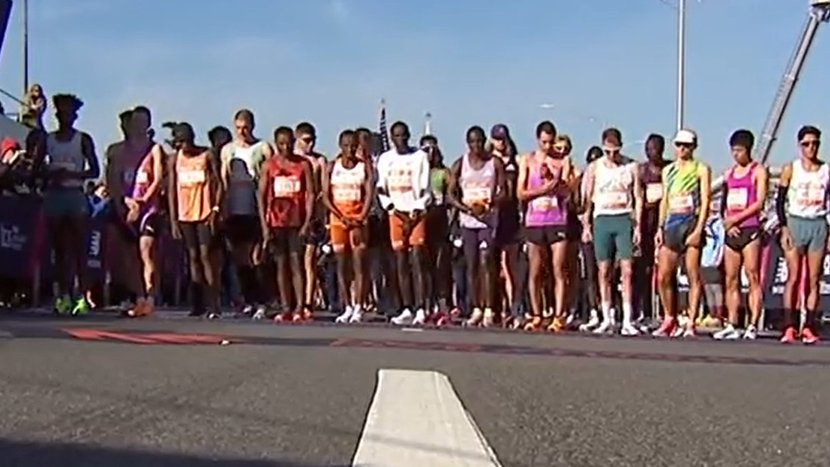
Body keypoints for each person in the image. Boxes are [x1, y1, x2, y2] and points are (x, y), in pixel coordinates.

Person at [36, 94, 100, 316]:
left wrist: (74, 173)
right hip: (55, 195)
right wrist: (49, 173)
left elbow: (95, 170)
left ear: (74, 117)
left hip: (75, 195)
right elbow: (36, 167)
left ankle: (81, 295)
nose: (65, 118)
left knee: (80, 249)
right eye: (61, 114)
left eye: (69, 114)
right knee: (59, 250)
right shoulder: (48, 140)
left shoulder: (83, 139)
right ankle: (62, 295)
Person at [581, 128, 642, 335]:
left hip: (623, 217)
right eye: (607, 151)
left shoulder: (631, 166)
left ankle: (627, 319)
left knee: (627, 270)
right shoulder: (594, 168)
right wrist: (586, 226)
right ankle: (607, 317)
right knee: (604, 271)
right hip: (602, 219)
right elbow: (587, 198)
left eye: (615, 151)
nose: (611, 156)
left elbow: (638, 197)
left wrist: (638, 226)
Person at [653, 129, 711, 338]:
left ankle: (691, 322)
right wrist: (659, 228)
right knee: (663, 275)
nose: (682, 149)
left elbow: (705, 200)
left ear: (693, 147)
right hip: (671, 221)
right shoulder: (668, 170)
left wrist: (699, 228)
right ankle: (670, 317)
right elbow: (665, 200)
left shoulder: (701, 169)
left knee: (692, 273)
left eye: (686, 145)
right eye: (679, 145)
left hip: (690, 220)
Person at [447, 126, 506, 327]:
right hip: (468, 220)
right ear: (468, 143)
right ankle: (476, 307)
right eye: (473, 142)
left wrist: (490, 204)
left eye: (480, 142)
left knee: (486, 261)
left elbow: (504, 191)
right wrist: (466, 208)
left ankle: (489, 308)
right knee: (471, 264)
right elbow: (450, 194)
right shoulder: (460, 164)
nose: (476, 146)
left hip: (488, 220)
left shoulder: (494, 163)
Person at [516, 121, 572, 332]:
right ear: (538, 139)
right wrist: (543, 188)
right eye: (544, 142)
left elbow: (567, 192)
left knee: (559, 268)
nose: (547, 146)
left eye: (551, 142)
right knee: (535, 270)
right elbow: (520, 193)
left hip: (557, 220)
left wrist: (556, 184)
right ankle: (537, 313)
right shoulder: (527, 160)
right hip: (535, 221)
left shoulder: (562, 161)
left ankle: (558, 315)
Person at [776, 125, 827, 344]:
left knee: (814, 279)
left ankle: (809, 326)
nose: (811, 148)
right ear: (799, 146)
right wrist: (784, 227)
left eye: (815, 143)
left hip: (817, 223)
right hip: (796, 222)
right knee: (793, 277)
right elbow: (780, 201)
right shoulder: (791, 169)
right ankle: (789, 325)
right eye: (806, 144)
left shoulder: (826, 170)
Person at [376, 121, 431, 325]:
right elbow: (381, 188)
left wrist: (415, 212)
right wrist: (394, 210)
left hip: (416, 213)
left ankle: (421, 308)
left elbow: (425, 189)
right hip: (396, 214)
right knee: (400, 261)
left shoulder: (419, 157)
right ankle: (406, 307)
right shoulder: (385, 159)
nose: (401, 140)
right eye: (397, 136)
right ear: (391, 138)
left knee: (417, 259)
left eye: (404, 136)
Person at [714, 129, 767, 340]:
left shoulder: (758, 171)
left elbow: (759, 202)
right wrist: (728, 223)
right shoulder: (729, 174)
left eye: (739, 151)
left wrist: (737, 219)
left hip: (749, 228)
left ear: (748, 150)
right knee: (731, 279)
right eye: (733, 151)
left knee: (752, 275)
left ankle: (753, 323)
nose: (736, 155)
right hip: (732, 231)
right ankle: (732, 323)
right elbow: (723, 202)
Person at [167, 123, 223, 319]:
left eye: (186, 141)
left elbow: (219, 183)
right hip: (185, 214)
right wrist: (174, 220)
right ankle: (197, 303)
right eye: (179, 142)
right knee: (192, 257)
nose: (184, 146)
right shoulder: (175, 160)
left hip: (205, 212)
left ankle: (213, 303)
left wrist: (216, 209)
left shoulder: (206, 156)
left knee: (206, 255)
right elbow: (172, 190)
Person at [259, 126, 314, 322]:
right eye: (281, 144)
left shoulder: (303, 164)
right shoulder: (269, 166)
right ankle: (285, 306)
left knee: (297, 263)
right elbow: (262, 196)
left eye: (289, 143)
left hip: (297, 221)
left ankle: (300, 306)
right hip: (276, 221)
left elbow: (310, 194)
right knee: (281, 265)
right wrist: (265, 226)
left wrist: (307, 222)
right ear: (276, 144)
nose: (286, 147)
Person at [220, 109, 272, 318]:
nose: (242, 132)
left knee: (256, 257)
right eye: (238, 128)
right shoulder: (228, 150)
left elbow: (270, 172)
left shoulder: (262, 148)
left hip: (255, 208)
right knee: (240, 259)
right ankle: (248, 300)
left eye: (246, 127)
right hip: (235, 208)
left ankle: (263, 300)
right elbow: (223, 180)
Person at [325, 130, 374, 323]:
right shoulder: (332, 167)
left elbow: (369, 194)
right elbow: (326, 196)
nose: (350, 149)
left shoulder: (364, 167)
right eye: (346, 146)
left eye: (353, 146)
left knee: (359, 264)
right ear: (340, 145)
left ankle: (359, 306)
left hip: (358, 219)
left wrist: (361, 216)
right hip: (339, 220)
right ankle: (346, 305)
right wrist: (340, 216)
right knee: (341, 264)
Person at [127, 106, 166, 314]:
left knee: (146, 251)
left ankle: (151, 297)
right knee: (131, 255)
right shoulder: (125, 150)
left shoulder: (155, 149)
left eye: (143, 121)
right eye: (136, 121)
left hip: (149, 208)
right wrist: (126, 201)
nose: (139, 125)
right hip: (129, 207)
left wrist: (143, 200)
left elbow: (158, 178)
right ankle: (139, 296)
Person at [489, 124, 524, 328]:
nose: (500, 143)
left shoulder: (515, 162)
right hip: (492, 216)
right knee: (491, 266)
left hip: (511, 216)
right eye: (496, 139)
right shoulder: (487, 161)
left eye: (503, 139)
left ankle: (514, 308)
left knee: (512, 266)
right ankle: (493, 307)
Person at [633, 134, 670, 327]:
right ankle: (643, 310)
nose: (650, 153)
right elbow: (637, 196)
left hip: (665, 220)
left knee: (666, 270)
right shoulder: (642, 170)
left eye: (654, 149)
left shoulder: (668, 168)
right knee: (643, 269)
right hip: (646, 222)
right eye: (647, 149)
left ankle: (667, 312)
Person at [295, 122, 327, 313]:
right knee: (294, 260)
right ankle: (295, 300)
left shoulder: (319, 161)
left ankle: (308, 302)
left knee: (309, 260)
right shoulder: (294, 160)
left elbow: (323, 189)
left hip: (313, 215)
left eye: (313, 140)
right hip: (293, 215)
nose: (310, 145)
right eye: (306, 141)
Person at [423, 134, 453, 321]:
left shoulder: (443, 172)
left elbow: (451, 196)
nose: (430, 153)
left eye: (432, 149)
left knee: (441, 264)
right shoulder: (419, 170)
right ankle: (426, 302)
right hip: (422, 218)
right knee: (424, 264)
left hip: (440, 218)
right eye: (426, 150)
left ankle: (443, 302)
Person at [577, 146, 604, 331]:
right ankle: (593, 310)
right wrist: (585, 226)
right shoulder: (583, 179)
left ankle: (607, 309)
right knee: (590, 273)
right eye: (591, 160)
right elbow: (580, 205)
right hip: (588, 230)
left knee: (607, 272)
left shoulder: (606, 179)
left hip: (604, 227)